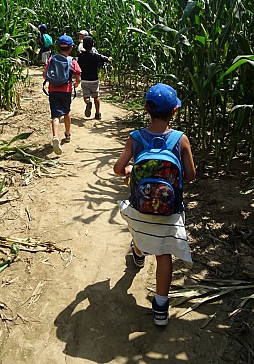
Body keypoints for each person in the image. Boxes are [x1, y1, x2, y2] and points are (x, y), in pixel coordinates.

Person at [113, 83, 196, 326]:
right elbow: (190, 175)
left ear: (146, 109)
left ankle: (138, 252)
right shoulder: (180, 140)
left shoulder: (135, 138)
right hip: (169, 211)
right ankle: (161, 307)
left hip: (141, 208)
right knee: (164, 254)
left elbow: (119, 169)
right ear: (175, 110)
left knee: (137, 228)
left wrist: (131, 169)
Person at [43, 35, 81, 155]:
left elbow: (45, 75)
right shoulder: (72, 61)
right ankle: (67, 134)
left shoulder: (52, 59)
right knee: (66, 112)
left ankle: (55, 137)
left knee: (55, 115)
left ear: (58, 47)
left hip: (53, 90)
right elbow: (78, 76)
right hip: (66, 90)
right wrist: (76, 84)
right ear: (71, 48)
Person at [77, 36, 111, 120]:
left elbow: (77, 65)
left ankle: (88, 102)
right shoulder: (95, 56)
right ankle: (97, 113)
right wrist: (109, 59)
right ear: (92, 45)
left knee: (86, 96)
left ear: (83, 46)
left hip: (84, 79)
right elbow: (105, 59)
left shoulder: (81, 56)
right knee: (96, 97)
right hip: (94, 80)